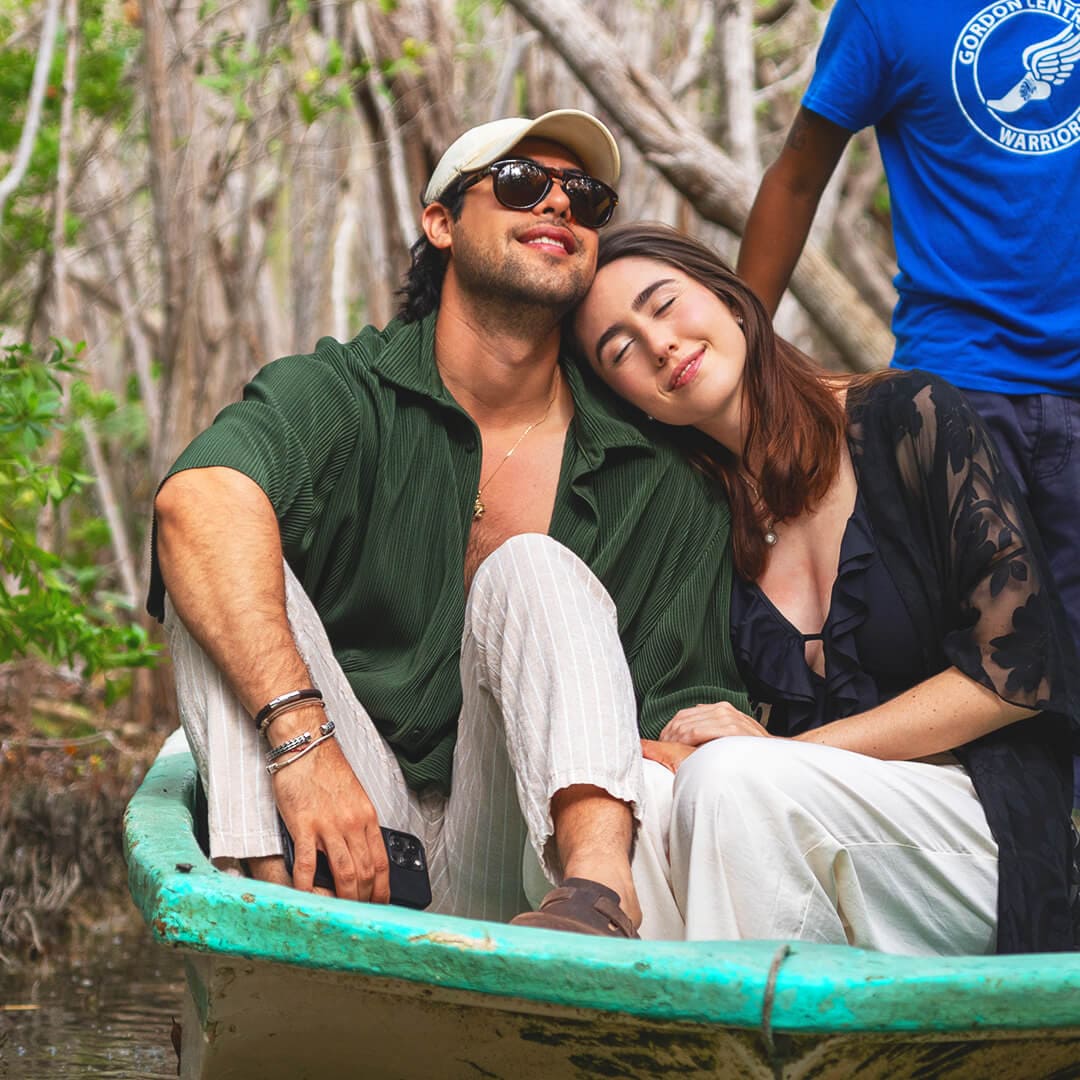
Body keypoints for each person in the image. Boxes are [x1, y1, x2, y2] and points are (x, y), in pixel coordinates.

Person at [147, 112, 748, 939]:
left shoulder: (661, 482)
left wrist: (584, 728)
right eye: (520, 184)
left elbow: (692, 720)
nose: (558, 204)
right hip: (341, 822)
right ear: (442, 224)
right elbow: (196, 504)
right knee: (214, 543)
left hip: (518, 859)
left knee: (533, 566)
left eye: (585, 196)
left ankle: (599, 899)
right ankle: (282, 923)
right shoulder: (347, 393)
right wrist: (303, 746)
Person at [573, 222, 1078, 954]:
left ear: (732, 299)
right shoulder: (699, 508)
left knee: (730, 776)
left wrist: (792, 752)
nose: (660, 344)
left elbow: (1020, 671)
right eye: (619, 349)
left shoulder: (909, 415)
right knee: (642, 799)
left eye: (665, 304)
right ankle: (653, 1021)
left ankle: (742, 1021)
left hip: (978, 827)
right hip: (805, 838)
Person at [735, 2, 1080, 765]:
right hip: (957, 396)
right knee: (967, 659)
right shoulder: (884, 13)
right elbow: (796, 177)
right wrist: (743, 355)